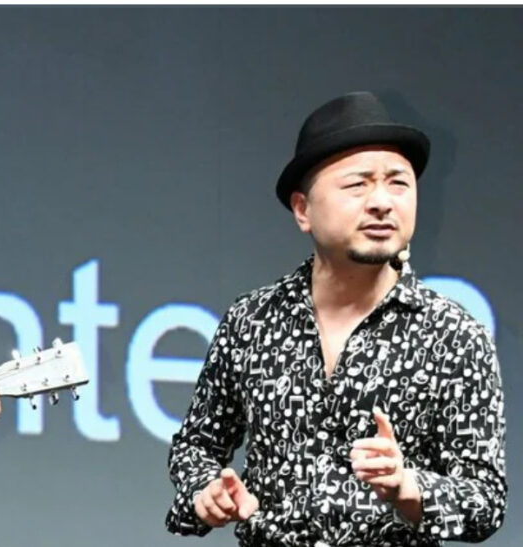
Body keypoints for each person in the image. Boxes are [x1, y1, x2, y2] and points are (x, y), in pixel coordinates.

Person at [165, 91, 505, 546]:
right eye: (357, 185)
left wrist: (407, 488)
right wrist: (205, 493)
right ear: (302, 209)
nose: (382, 202)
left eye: (398, 183)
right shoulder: (251, 321)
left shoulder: (454, 335)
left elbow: (485, 499)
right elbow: (197, 446)